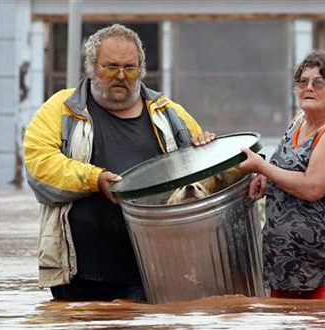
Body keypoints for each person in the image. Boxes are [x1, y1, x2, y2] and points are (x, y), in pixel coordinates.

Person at [23, 24, 214, 301]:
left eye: (130, 68)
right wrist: (95, 179)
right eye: (111, 67)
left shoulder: (169, 113)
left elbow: (206, 178)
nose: (121, 76)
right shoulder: (61, 109)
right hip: (81, 274)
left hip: (157, 271)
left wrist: (210, 149)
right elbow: (39, 165)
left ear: (141, 69)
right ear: (90, 68)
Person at [237, 51, 325, 300]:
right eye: (302, 82)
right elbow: (284, 169)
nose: (308, 88)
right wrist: (266, 180)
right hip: (283, 265)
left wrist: (262, 168)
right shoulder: (297, 122)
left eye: (318, 82)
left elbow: (312, 187)